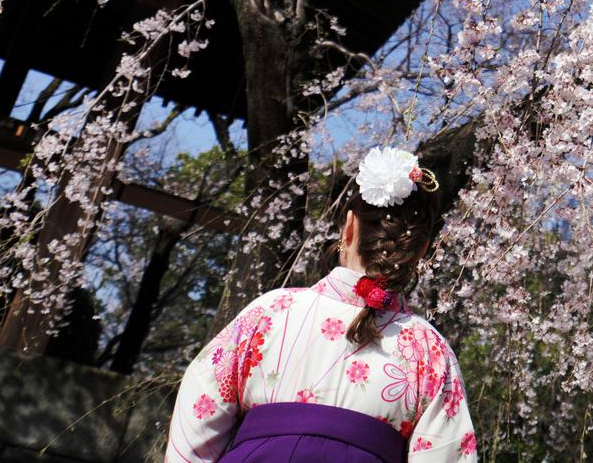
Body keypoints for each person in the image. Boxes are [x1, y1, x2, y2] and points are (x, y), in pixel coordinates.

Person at [165, 147, 476, 462]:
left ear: (349, 227)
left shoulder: (272, 311)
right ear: (421, 250)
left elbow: (198, 407)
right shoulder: (429, 351)